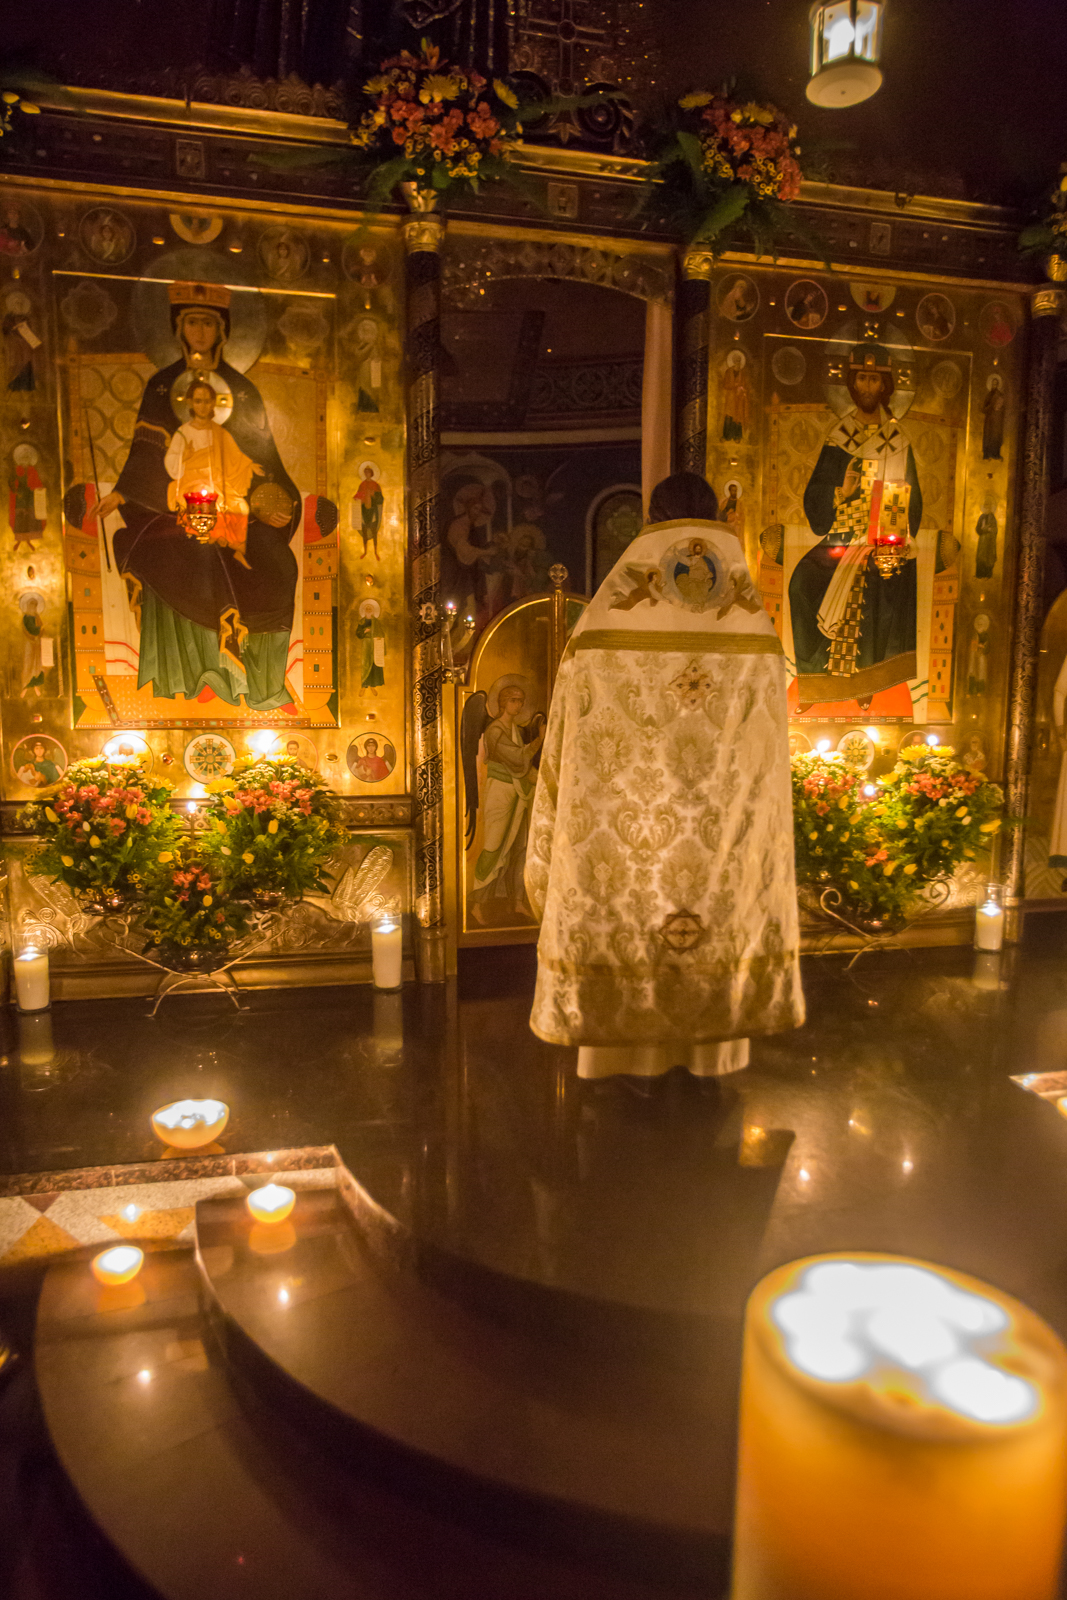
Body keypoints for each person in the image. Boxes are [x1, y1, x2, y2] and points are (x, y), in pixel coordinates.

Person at [525, 471, 804, 1084]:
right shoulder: (754, 635)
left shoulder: (599, 630)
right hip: (718, 835)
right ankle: (713, 1058)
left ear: (653, 520)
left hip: (632, 836)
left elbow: (569, 736)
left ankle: (618, 1060)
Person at [87, 281, 300, 712]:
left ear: (222, 330)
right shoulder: (163, 387)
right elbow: (146, 457)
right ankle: (194, 678)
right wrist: (124, 493)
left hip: (238, 512)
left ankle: (264, 687)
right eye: (192, 322)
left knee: (280, 563)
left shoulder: (241, 391)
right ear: (177, 329)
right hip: (172, 511)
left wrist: (274, 503)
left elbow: (261, 461)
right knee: (189, 557)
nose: (200, 331)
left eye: (208, 322)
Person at [788, 344, 922, 712]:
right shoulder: (839, 437)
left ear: (886, 386)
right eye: (861, 377)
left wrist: (896, 533)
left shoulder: (899, 441)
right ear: (851, 383)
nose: (866, 385)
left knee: (884, 582)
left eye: (874, 378)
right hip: (841, 539)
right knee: (801, 583)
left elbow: (915, 501)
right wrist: (838, 493)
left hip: (884, 541)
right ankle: (815, 683)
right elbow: (815, 496)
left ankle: (870, 682)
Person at [468, 682, 545, 925]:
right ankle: (478, 903)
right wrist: (539, 741)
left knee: (520, 847)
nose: (518, 705)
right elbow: (516, 757)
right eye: (513, 700)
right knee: (494, 846)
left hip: (521, 791)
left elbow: (524, 765)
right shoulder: (495, 730)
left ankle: (518, 901)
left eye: (521, 701)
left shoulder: (517, 730)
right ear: (502, 703)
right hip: (500, 792)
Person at [164, 376, 259, 568]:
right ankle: (206, 555)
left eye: (207, 401)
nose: (203, 406)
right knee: (209, 509)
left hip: (216, 481)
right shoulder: (183, 432)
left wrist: (248, 465)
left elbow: (234, 457)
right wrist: (185, 456)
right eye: (198, 401)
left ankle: (235, 550)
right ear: (190, 402)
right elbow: (171, 463)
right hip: (190, 482)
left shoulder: (219, 432)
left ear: (213, 403)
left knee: (240, 507)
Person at [353, 465, 384, 558]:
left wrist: (373, 494)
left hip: (373, 511)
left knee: (374, 531)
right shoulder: (362, 485)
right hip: (364, 511)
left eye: (368, 472)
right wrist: (356, 498)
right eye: (365, 472)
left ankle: (375, 552)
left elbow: (380, 499)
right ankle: (365, 552)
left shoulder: (376, 485)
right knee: (365, 531)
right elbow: (357, 495)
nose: (367, 474)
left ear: (371, 473)